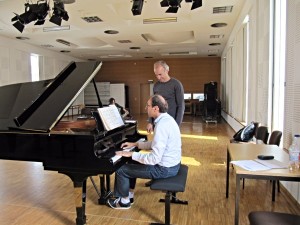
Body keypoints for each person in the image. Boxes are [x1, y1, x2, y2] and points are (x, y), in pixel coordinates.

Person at [107, 94, 182, 209]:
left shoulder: (162, 125)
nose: (146, 108)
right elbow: (156, 144)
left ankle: (124, 202)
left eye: (148, 106)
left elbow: (154, 159)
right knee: (131, 162)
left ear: (156, 108)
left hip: (164, 169)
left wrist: (131, 153)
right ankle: (129, 195)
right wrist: (136, 144)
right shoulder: (168, 120)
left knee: (121, 169)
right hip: (172, 165)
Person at [146, 60, 185, 133]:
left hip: (171, 122)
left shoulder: (176, 84)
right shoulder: (156, 85)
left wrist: (176, 125)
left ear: (167, 71)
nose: (158, 77)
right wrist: (150, 122)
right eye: (156, 75)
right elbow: (152, 105)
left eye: (160, 74)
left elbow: (181, 106)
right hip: (158, 123)